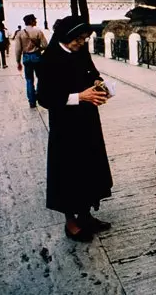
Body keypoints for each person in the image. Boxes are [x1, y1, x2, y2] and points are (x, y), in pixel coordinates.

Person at [37, 15, 112, 242]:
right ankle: (71, 222)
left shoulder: (81, 53)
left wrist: (99, 85)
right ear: (66, 36)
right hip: (66, 126)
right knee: (69, 172)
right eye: (78, 38)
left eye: (84, 39)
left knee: (89, 167)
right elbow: (45, 97)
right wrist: (79, 96)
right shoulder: (49, 60)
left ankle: (86, 215)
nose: (81, 43)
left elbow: (92, 73)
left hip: (87, 121)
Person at [15, 14, 48, 108]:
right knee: (40, 78)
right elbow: (45, 45)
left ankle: (32, 101)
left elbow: (18, 49)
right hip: (37, 57)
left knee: (29, 80)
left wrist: (18, 62)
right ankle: (39, 95)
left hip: (26, 57)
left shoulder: (20, 33)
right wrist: (39, 49)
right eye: (34, 20)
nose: (36, 21)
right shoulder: (38, 31)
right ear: (31, 21)